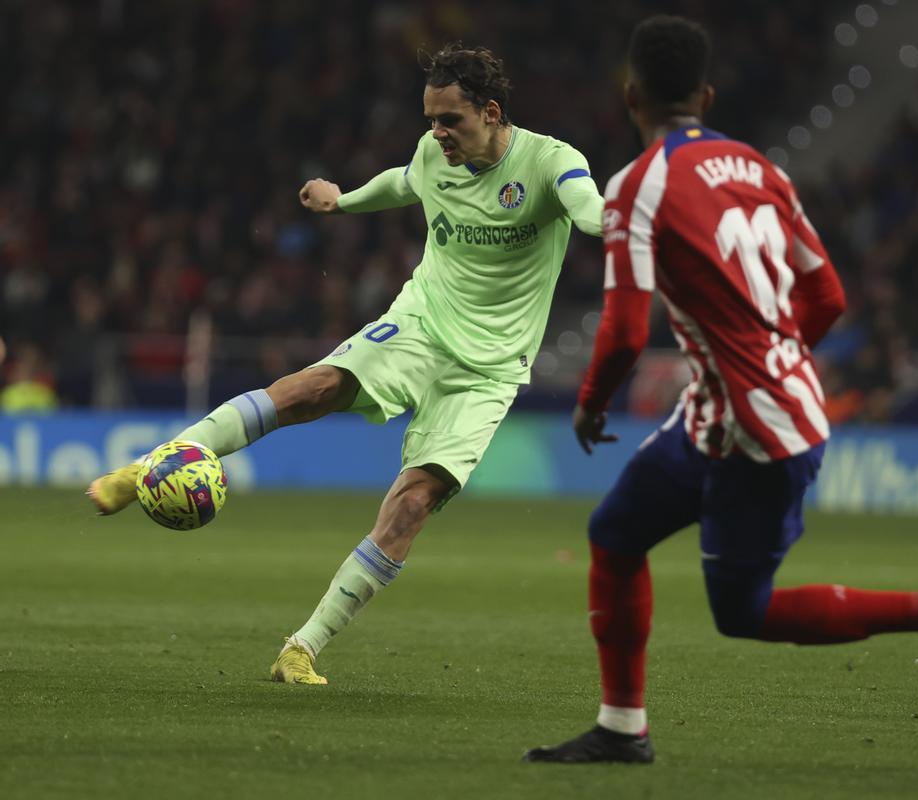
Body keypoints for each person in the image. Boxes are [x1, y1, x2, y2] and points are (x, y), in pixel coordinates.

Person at [523, 16, 918, 765]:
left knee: (741, 612)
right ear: (707, 95)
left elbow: (621, 329)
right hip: (734, 413)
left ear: (629, 96)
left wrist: (590, 404)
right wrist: (769, 362)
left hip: (759, 432)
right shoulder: (759, 168)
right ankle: (622, 728)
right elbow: (829, 295)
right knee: (615, 536)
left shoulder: (637, 187)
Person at [87, 44, 605, 685]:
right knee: (316, 386)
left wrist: (614, 222)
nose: (437, 134)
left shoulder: (551, 161)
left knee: (413, 504)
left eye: (451, 121)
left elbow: (586, 207)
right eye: (431, 120)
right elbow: (404, 181)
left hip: (491, 370)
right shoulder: (431, 155)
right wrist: (344, 199)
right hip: (424, 323)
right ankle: (146, 469)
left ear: (491, 112)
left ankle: (300, 648)